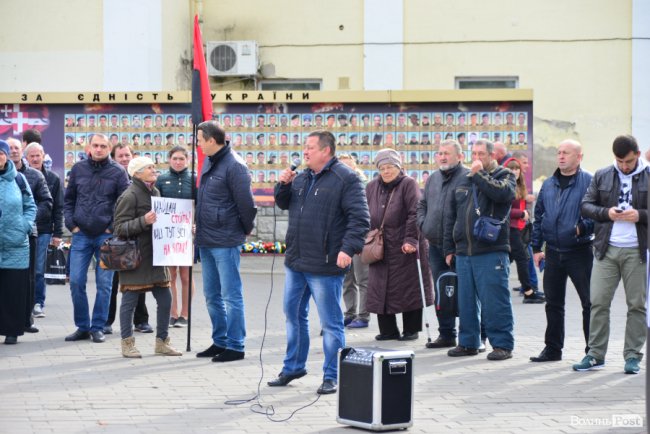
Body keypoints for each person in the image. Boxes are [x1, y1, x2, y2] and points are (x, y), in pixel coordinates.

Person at [270, 131, 369, 395]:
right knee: (293, 315)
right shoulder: (301, 177)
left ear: (326, 151)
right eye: (305, 147)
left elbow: (360, 219)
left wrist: (348, 249)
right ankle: (293, 367)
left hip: (325, 264)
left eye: (310, 147)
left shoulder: (345, 179)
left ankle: (332, 374)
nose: (305, 152)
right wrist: (283, 185)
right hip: (296, 261)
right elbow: (282, 203)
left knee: (331, 323)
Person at [573, 135, 648, 374]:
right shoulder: (603, 174)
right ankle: (595, 355)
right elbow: (586, 205)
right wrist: (607, 213)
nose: (624, 166)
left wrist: (641, 215)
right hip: (605, 248)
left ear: (637, 153)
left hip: (637, 250)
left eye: (627, 161)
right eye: (619, 161)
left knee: (636, 305)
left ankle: (633, 356)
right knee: (598, 302)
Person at [443, 139, 516, 360]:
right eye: (474, 153)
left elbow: (504, 195)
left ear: (492, 155)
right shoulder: (463, 179)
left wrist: (479, 175)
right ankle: (468, 342)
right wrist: (449, 247)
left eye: (481, 154)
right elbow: (451, 216)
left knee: (495, 300)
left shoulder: (504, 175)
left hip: (491, 249)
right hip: (464, 251)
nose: (477, 158)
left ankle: (502, 344)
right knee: (465, 301)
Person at [194, 121, 257, 363]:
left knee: (231, 295)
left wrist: (242, 230)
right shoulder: (209, 161)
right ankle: (219, 341)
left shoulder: (235, 166)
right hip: (207, 238)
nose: (198, 145)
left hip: (225, 240)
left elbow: (247, 205)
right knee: (212, 295)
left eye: (200, 140)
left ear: (211, 140)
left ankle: (236, 345)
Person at [529, 140, 594, 363]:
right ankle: (553, 350)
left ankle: (592, 351)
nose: (561, 156)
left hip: (579, 251)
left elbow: (598, 214)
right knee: (553, 304)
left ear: (579, 157)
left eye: (566, 153)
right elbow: (538, 217)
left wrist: (582, 227)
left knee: (590, 303)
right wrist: (537, 248)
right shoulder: (548, 184)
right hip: (553, 253)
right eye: (559, 153)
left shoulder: (590, 181)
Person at [64, 133, 130, 343]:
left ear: (109, 148)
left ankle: (98, 327)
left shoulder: (118, 172)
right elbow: (68, 200)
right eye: (95, 145)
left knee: (104, 285)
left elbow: (124, 204)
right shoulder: (78, 169)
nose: (99, 149)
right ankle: (82, 326)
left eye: (103, 146)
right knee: (75, 281)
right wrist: (71, 225)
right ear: (89, 148)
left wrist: (112, 228)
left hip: (106, 236)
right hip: (81, 233)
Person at [113, 157, 181, 358]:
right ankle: (127, 344)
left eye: (153, 166)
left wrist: (182, 228)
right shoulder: (129, 196)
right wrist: (143, 221)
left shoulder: (156, 192)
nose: (154, 169)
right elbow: (119, 228)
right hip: (136, 259)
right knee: (129, 303)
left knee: (166, 299)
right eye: (149, 167)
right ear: (137, 173)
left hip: (157, 256)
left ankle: (162, 342)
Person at [366, 148, 433, 341]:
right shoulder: (371, 187)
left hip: (405, 244)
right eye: (382, 168)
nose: (386, 171)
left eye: (390, 167)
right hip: (380, 245)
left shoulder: (408, 184)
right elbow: (364, 213)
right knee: (380, 287)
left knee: (408, 286)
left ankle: (411, 330)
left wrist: (411, 239)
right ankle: (388, 330)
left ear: (399, 167)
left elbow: (415, 212)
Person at [417, 140, 468, 348]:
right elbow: (422, 204)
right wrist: (423, 224)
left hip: (459, 247)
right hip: (435, 245)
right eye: (440, 153)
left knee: (464, 292)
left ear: (460, 156)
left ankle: (469, 337)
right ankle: (446, 334)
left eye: (447, 153)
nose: (442, 157)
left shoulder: (467, 178)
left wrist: (454, 246)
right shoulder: (434, 178)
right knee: (442, 289)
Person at [105, 144, 152, 335]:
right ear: (114, 158)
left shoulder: (141, 182)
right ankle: (107, 321)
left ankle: (141, 321)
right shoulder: (110, 175)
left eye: (127, 155)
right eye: (120, 156)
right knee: (112, 281)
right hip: (112, 234)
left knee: (137, 280)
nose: (124, 159)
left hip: (136, 237)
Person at [7, 138, 52, 334]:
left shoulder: (33, 175)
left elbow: (46, 202)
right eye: (9, 149)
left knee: (29, 278)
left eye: (17, 147)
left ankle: (27, 319)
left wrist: (27, 221)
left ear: (21, 150)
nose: (13, 151)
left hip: (28, 233)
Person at [0, 140, 37, 344]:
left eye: (1, 153)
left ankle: (12, 330)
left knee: (13, 290)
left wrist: (24, 226)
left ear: (6, 156)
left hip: (16, 243)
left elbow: (31, 206)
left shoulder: (19, 179)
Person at [23, 139, 64, 319]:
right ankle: (25, 302)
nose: (35, 159)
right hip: (23, 229)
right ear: (27, 158)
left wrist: (58, 233)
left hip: (44, 229)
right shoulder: (21, 176)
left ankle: (38, 302)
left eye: (37, 155)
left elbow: (58, 207)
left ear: (43, 155)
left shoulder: (53, 179)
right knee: (23, 268)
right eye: (31, 156)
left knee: (39, 269)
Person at [156, 146, 194, 328]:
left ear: (187, 160)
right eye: (175, 158)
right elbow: (155, 205)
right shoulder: (161, 180)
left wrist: (196, 223)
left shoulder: (194, 180)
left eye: (181, 159)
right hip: (167, 235)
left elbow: (200, 205)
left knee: (186, 276)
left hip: (186, 234)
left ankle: (185, 315)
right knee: (170, 275)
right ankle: (172, 313)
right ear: (169, 159)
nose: (178, 162)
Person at [503, 157, 545, 304]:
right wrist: (521, 214)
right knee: (521, 259)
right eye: (511, 168)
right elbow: (504, 210)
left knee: (508, 260)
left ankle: (528, 289)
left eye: (516, 168)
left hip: (519, 228)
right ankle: (528, 291)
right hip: (509, 228)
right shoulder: (505, 185)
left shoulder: (519, 185)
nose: (514, 171)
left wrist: (525, 214)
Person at [338, 154, 370, 329]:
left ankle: (363, 316)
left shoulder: (363, 186)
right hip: (342, 239)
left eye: (350, 167)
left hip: (359, 237)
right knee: (347, 279)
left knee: (362, 278)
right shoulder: (335, 185)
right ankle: (350, 313)